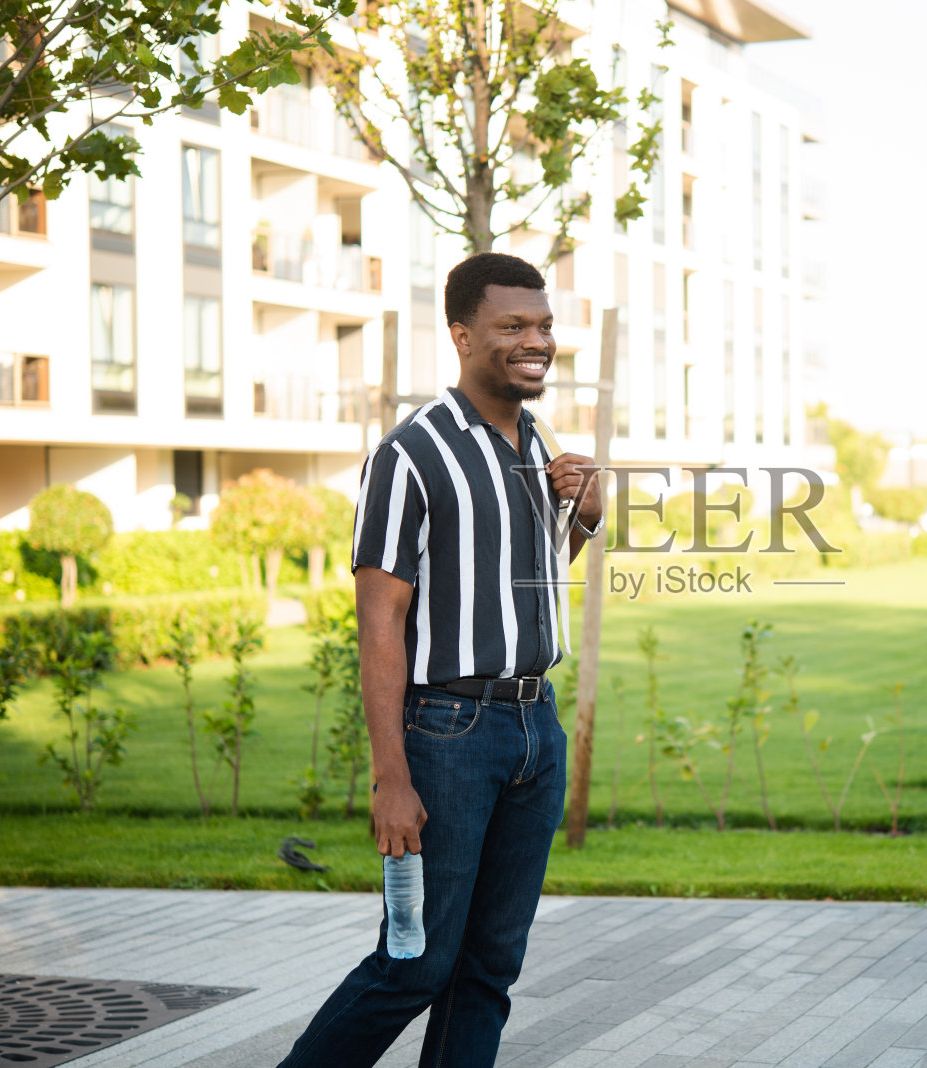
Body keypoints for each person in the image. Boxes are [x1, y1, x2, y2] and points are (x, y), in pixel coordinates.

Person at [279, 252, 603, 1068]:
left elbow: (526, 585)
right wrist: (392, 779)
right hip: (449, 735)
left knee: (489, 970)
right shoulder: (411, 453)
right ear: (462, 335)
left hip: (536, 729)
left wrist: (585, 517)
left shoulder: (538, 444)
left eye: (544, 325)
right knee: (414, 961)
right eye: (513, 326)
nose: (537, 341)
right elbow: (381, 619)